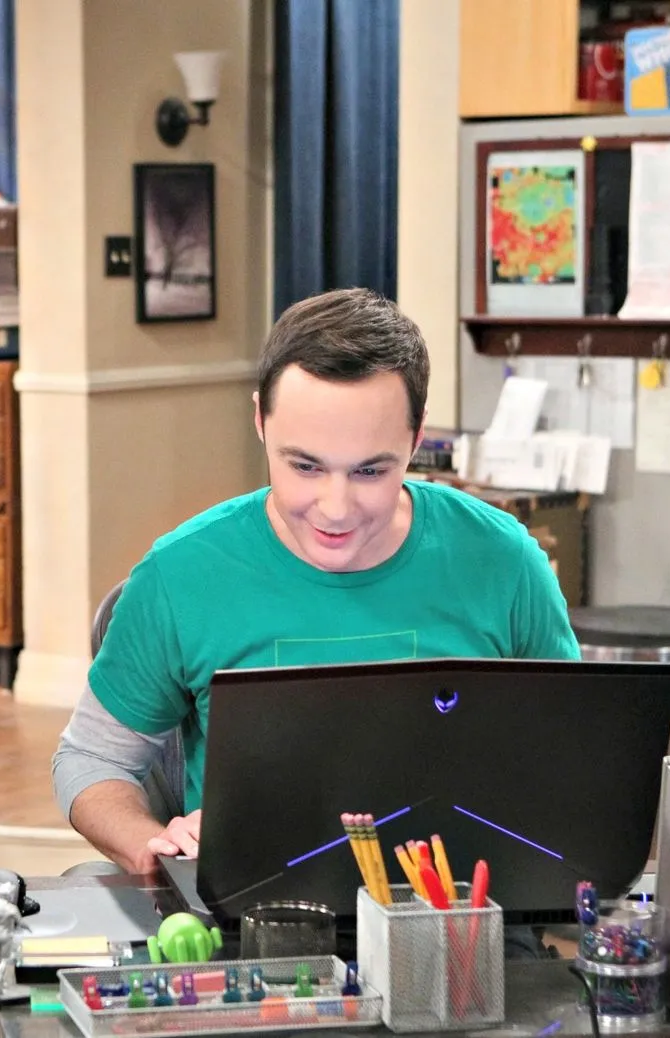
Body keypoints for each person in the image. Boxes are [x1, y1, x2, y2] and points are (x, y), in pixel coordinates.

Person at [52, 288, 579, 876]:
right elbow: (91, 759)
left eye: (370, 471)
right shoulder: (180, 574)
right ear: (260, 420)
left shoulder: (503, 560)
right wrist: (154, 847)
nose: (335, 509)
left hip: (463, 903)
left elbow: (573, 754)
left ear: (416, 438)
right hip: (253, 913)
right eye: (304, 466)